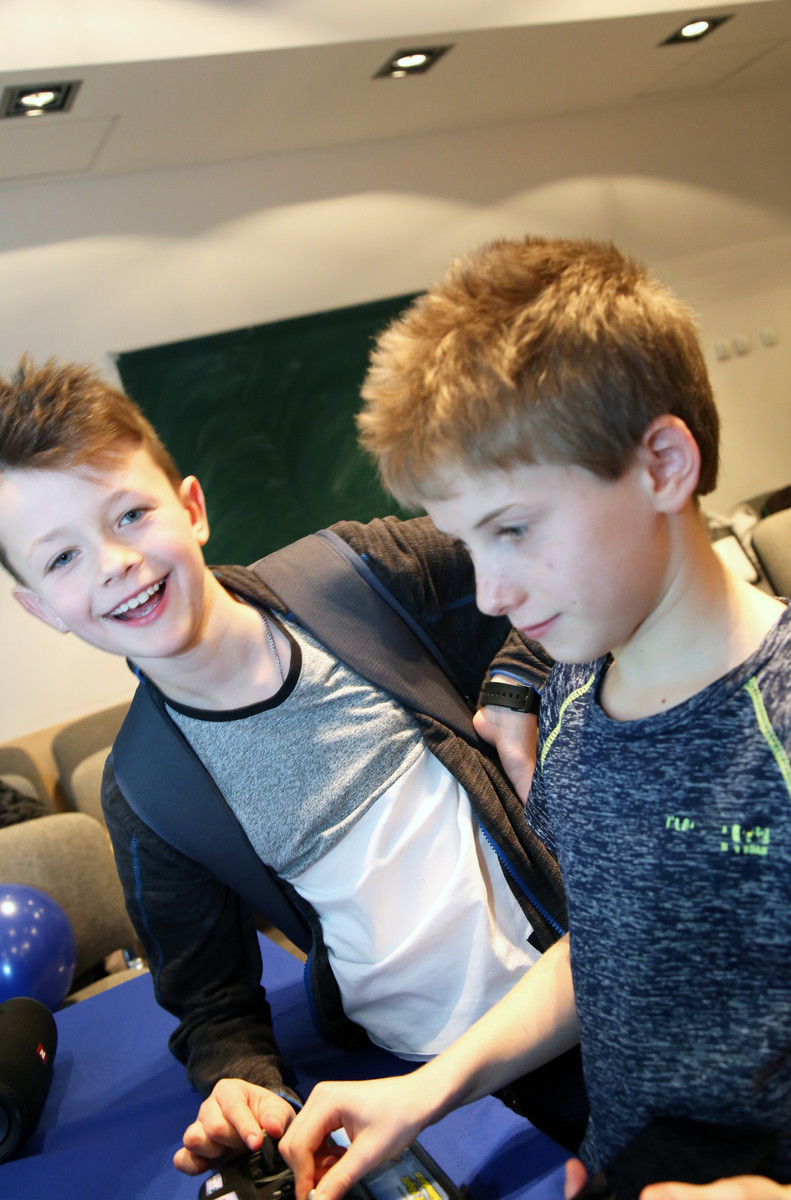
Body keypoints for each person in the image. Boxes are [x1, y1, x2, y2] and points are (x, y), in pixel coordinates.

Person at [278, 236, 791, 1200]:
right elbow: (605, 948)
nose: (489, 593)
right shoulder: (570, 704)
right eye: (469, 544)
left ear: (663, 464)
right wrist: (425, 1094)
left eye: (513, 529)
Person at [0, 356, 588, 1177]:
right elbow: (213, 1003)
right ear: (39, 608)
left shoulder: (359, 577)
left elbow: (550, 557)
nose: (112, 562)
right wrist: (240, 1081)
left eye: (130, 514)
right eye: (61, 559)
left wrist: (516, 685)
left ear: (192, 508)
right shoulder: (146, 791)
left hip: (589, 983)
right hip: (428, 1082)